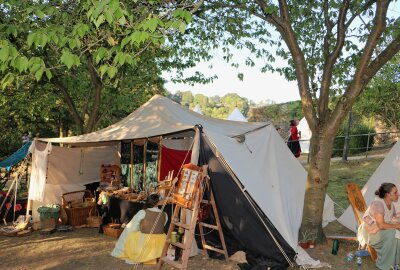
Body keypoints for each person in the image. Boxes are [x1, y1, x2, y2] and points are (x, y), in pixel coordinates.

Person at [111, 194, 167, 265]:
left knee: (130, 233)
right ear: (158, 202)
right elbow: (162, 225)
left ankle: (141, 254)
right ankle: (155, 256)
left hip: (146, 238)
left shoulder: (142, 212)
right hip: (160, 239)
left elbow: (132, 226)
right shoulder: (165, 214)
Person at [358, 183, 400, 270]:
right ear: (388, 194)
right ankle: (384, 265)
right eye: (395, 192)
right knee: (393, 233)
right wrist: (397, 225)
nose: (398, 194)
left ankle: (396, 262)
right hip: (370, 232)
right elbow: (381, 225)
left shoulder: (391, 204)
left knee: (396, 231)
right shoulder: (378, 204)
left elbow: (391, 219)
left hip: (379, 230)